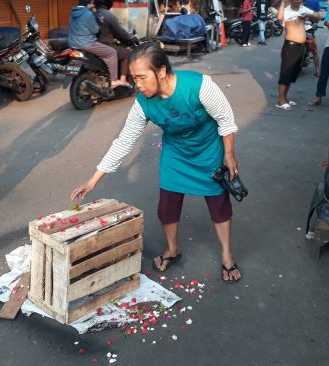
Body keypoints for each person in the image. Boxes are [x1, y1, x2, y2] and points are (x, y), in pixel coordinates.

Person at [70, 43, 243, 283]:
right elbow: (124, 141)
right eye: (134, 78)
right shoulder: (143, 103)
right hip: (176, 154)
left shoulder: (199, 85)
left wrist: (229, 155)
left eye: (142, 77)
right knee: (167, 207)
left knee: (218, 204)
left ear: (161, 72)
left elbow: (225, 119)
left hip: (209, 151)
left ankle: (226, 255)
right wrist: (92, 181)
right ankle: (172, 249)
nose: (137, 84)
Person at [68, 0, 128, 88]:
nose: (93, 5)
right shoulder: (88, 14)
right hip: (86, 43)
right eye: (92, 3)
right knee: (112, 52)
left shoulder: (73, 13)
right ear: (88, 3)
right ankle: (114, 80)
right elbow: (95, 30)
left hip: (73, 43)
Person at [275, 0, 321, 110]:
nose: (297, 1)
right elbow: (279, 18)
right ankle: (280, 100)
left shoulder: (303, 9)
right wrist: (283, 2)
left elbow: (318, 17)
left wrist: (308, 15)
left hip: (301, 47)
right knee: (285, 74)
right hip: (290, 46)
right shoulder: (286, 11)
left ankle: (285, 98)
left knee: (292, 74)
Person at [94, 0, 137, 84]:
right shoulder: (109, 15)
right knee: (127, 53)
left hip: (92, 44)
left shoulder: (91, 13)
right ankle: (122, 80)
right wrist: (131, 37)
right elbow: (120, 33)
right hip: (105, 45)